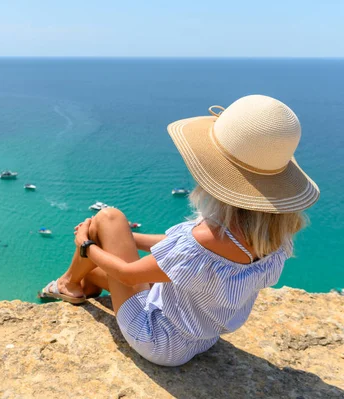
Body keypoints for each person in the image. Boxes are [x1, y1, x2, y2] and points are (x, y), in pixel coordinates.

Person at [39, 95, 319, 366]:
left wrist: (87, 244)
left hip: (156, 340)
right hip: (201, 336)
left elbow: (126, 274)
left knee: (109, 217)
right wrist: (123, 237)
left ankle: (68, 284)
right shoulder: (274, 238)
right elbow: (178, 251)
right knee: (109, 234)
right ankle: (78, 284)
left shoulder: (207, 239)